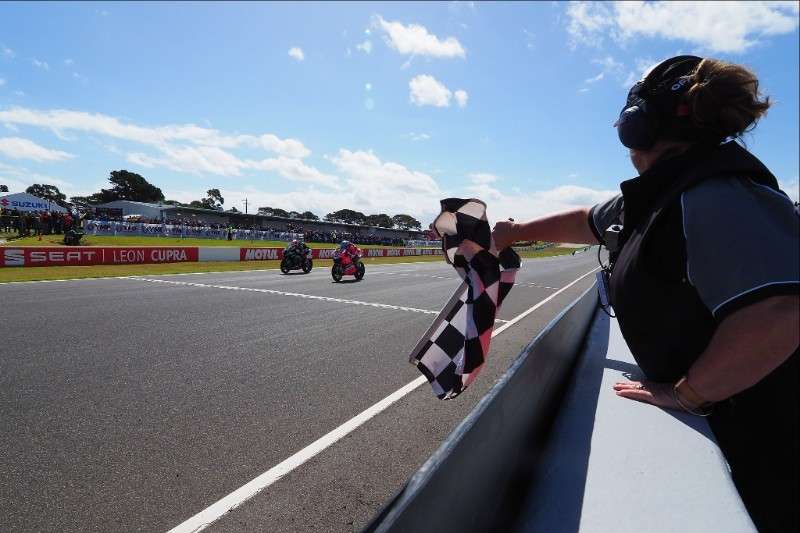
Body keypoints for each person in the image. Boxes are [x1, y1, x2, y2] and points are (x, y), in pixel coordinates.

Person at [492, 56, 798, 532]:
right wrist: (514, 232)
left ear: (641, 123)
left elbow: (779, 314)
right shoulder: (664, 193)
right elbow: (589, 220)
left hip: (763, 451)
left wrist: (689, 393)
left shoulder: (718, 193)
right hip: (732, 432)